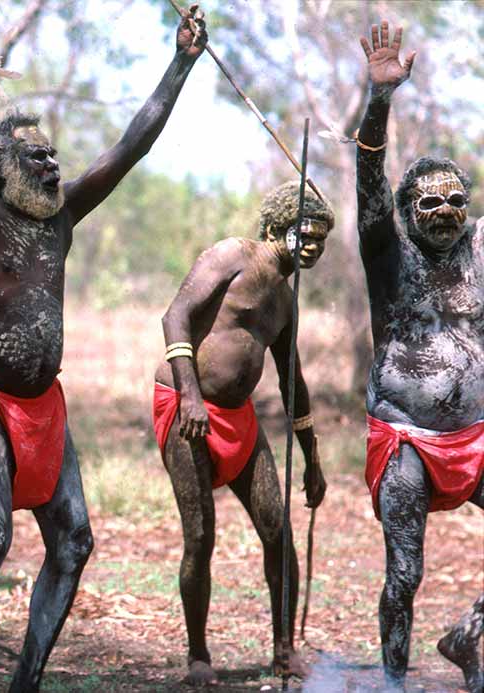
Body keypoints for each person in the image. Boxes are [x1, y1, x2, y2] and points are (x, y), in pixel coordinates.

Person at [0, 0, 207, 687]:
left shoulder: (62, 219)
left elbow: (132, 145)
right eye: (38, 157)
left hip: (44, 408)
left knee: (75, 541)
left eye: (55, 155)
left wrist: (180, 62)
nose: (55, 165)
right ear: (3, 168)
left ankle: (26, 679)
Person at [154, 181, 331, 685]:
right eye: (305, 234)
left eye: (320, 239)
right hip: (186, 408)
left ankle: (284, 650)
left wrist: (312, 457)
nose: (313, 246)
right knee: (200, 536)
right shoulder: (232, 255)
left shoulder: (286, 301)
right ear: (276, 228)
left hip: (239, 419)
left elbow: (293, 381)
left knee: (278, 530)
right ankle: (198, 656)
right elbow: (174, 316)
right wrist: (190, 395)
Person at [354, 21, 484, 692]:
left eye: (456, 201)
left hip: (476, 437)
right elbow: (369, 177)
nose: (445, 212)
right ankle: (392, 682)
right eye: (430, 202)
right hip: (406, 440)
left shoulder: (479, 250)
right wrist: (380, 100)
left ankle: (468, 635)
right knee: (405, 574)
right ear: (407, 211)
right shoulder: (388, 253)